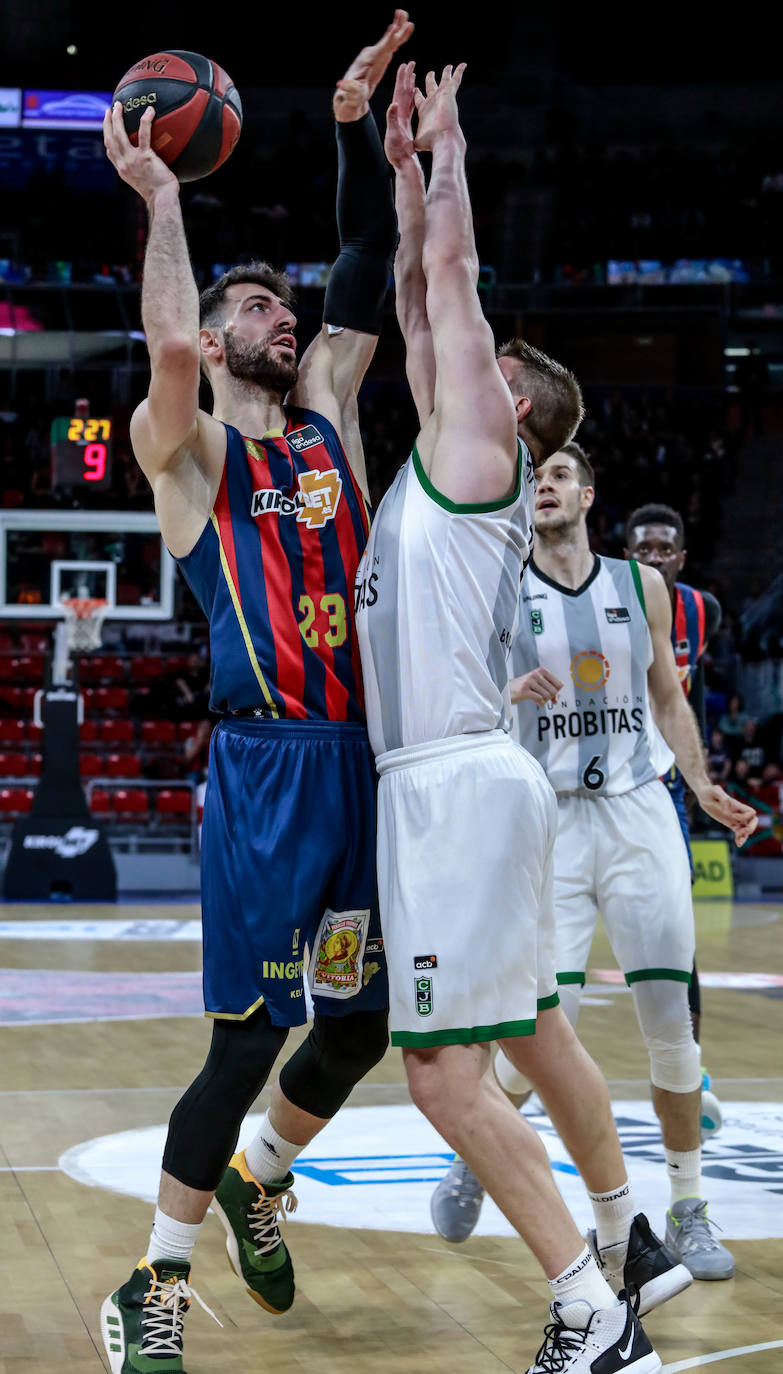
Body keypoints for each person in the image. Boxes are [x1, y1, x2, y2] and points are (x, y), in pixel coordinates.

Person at [99, 13, 413, 1372]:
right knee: (246, 1041)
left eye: (283, 309)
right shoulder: (187, 453)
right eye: (254, 308)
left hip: (358, 763)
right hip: (265, 775)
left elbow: (364, 264)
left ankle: (261, 1179)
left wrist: (351, 129)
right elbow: (170, 350)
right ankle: (151, 1284)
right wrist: (164, 200)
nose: (281, 317)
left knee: (357, 1025)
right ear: (221, 339)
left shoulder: (334, 415)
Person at [358, 61, 674, 1374]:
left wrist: (449, 163)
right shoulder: (450, 450)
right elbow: (412, 295)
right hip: (459, 780)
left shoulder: (486, 437)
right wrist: (395, 176)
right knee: (525, 1035)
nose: (455, 353)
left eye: (484, 362)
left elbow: (448, 283)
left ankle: (587, 1308)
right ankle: (624, 1241)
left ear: (517, 401)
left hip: (453, 785)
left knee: (438, 1075)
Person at [436, 445, 756, 1282]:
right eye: (531, 479)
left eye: (556, 476)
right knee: (542, 1034)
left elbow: (666, 696)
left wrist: (701, 781)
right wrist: (507, 696)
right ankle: (480, 1157)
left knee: (671, 1028)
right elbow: (458, 688)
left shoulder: (638, 585)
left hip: (637, 810)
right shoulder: (501, 587)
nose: (541, 486)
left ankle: (689, 1208)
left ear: (586, 494)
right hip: (547, 822)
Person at [623, 502, 723, 1130]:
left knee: (675, 931)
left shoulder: (701, 611)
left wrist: (702, 778)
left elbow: (683, 699)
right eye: (643, 549)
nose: (654, 557)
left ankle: (693, 1065)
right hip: (591, 781)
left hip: (662, 786)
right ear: (626, 553)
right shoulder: (601, 596)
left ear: (681, 558)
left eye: (664, 549)